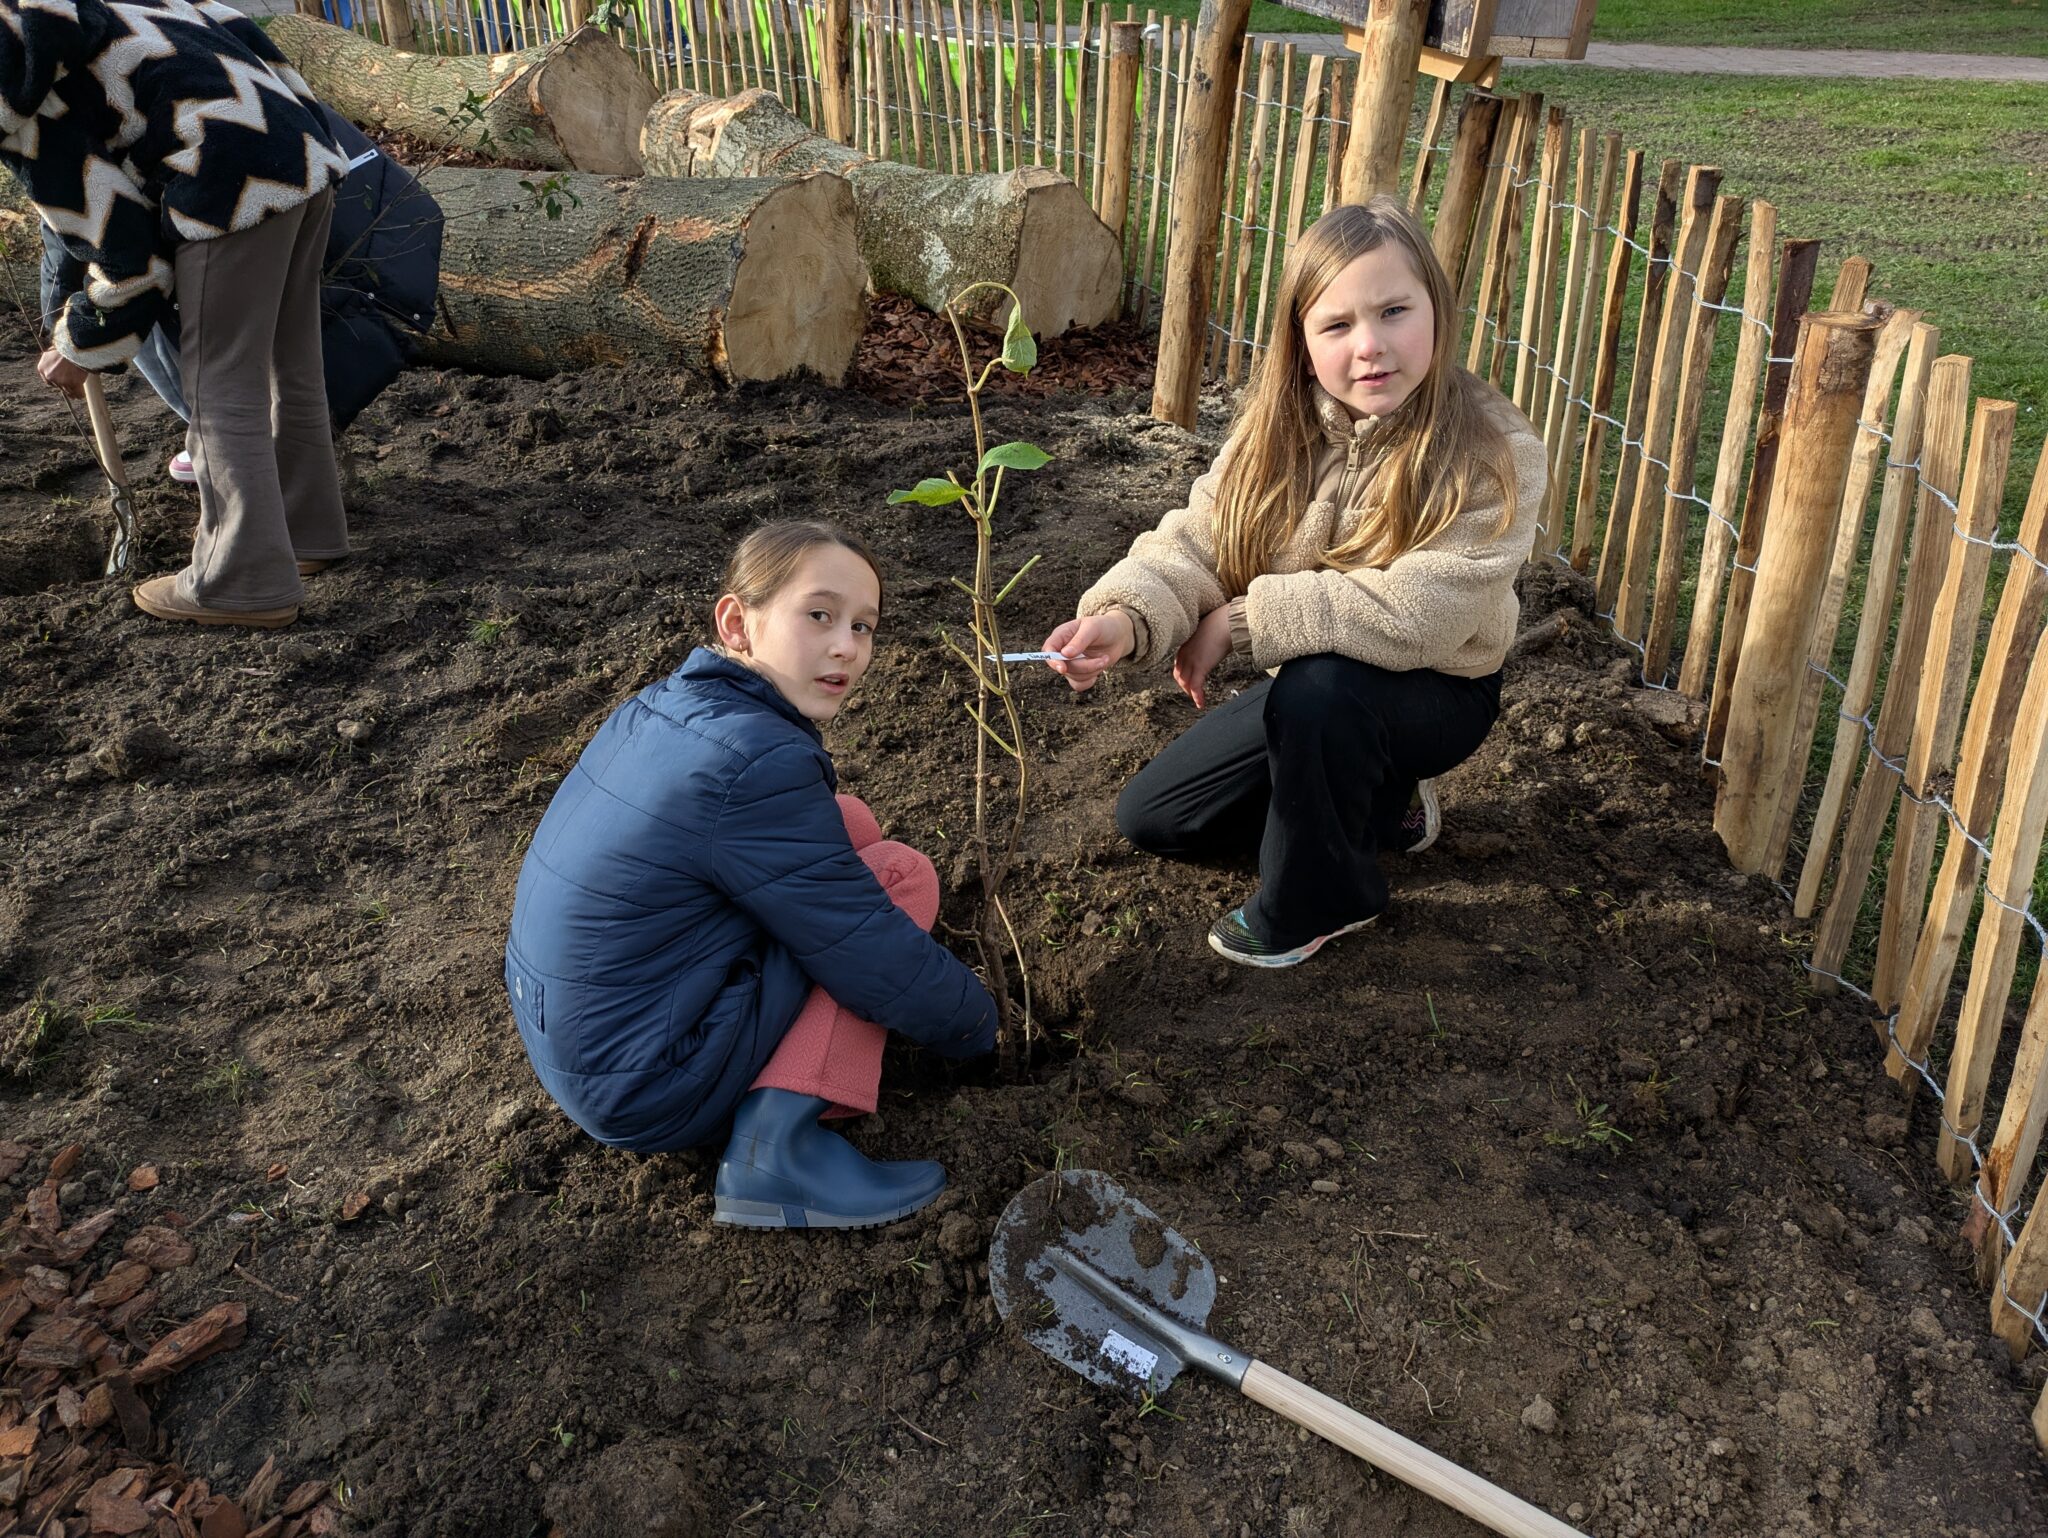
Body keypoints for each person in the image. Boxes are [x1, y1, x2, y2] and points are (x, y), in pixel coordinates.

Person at [1041, 196, 1550, 969]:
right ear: (1302, 341)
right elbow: (1202, 536)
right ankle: (1380, 807)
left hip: (1439, 690)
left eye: (1394, 311)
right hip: (1319, 693)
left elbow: (1426, 613)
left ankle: (1319, 900)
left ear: (1438, 312)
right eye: (1338, 325)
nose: (1371, 346)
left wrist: (1242, 623)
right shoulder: (1278, 427)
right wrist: (1124, 615)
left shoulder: (1493, 448)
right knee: (1157, 817)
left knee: (1319, 689)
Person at [505, 521, 997, 1229]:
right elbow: (870, 952)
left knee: (846, 821)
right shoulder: (757, 762)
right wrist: (978, 1028)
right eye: (819, 615)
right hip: (648, 1082)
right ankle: (778, 1152)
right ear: (737, 622)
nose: (846, 647)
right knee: (897, 875)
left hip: (574, 1033)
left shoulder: (667, 706)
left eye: (864, 626)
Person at [2, 0, 355, 628]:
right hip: (306, 157)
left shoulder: (27, 104)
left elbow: (126, 255)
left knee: (218, 382)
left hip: (225, 185)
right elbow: (242, 30)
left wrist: (79, 345)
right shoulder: (97, 11)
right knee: (289, 363)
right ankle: (306, 535)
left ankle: (239, 580)